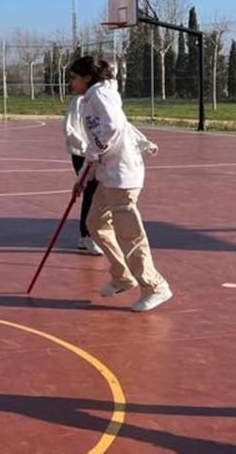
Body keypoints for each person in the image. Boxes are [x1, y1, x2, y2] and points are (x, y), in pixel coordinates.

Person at [68, 56, 171, 313]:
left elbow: (114, 126)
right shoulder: (90, 99)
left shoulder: (101, 95)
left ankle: (154, 286)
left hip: (122, 176)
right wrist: (85, 175)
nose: (71, 82)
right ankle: (122, 275)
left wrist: (95, 150)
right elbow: (109, 132)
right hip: (107, 175)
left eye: (74, 77)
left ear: (87, 78)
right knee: (95, 223)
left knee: (129, 234)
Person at [65, 91, 103, 256]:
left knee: (100, 193)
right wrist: (85, 147)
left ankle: (92, 233)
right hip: (82, 154)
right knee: (91, 191)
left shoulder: (104, 99)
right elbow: (69, 128)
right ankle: (86, 236)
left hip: (99, 153)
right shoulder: (80, 101)